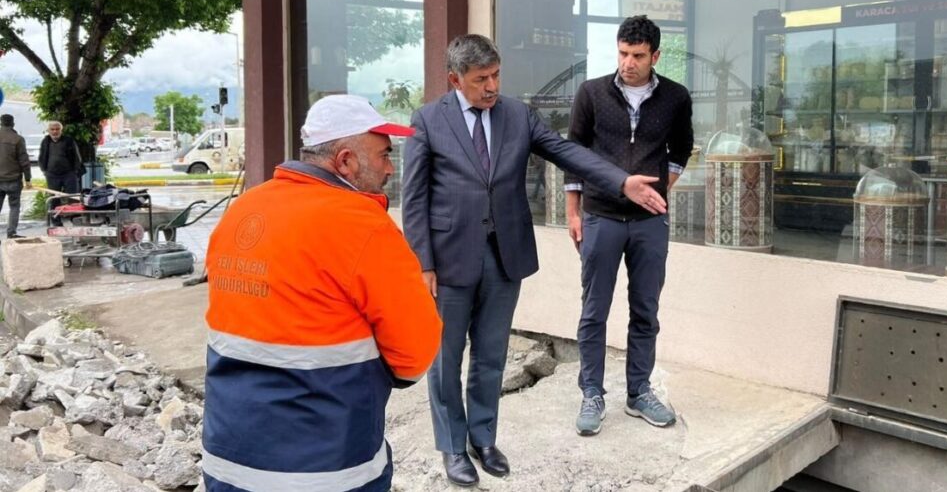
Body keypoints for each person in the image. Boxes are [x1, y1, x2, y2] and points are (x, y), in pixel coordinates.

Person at [402, 34, 667, 487]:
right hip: (447, 261)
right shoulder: (428, 121)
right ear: (454, 80)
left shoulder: (517, 115)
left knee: (491, 355)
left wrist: (621, 182)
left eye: (496, 76)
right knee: (445, 360)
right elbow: (414, 199)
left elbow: (569, 152)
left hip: (504, 256)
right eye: (480, 79)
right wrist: (422, 263)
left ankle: (483, 438)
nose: (491, 87)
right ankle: (451, 447)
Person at [202, 95, 442, 492]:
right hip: (326, 469)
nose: (389, 168)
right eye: (383, 155)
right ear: (345, 160)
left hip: (228, 461)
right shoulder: (362, 226)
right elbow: (415, 354)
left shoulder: (244, 209)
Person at [566, 15, 693, 437]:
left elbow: (682, 147)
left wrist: (662, 188)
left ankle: (639, 392)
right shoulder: (591, 93)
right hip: (600, 216)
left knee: (646, 310)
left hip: (649, 224)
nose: (628, 63)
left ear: (655, 56)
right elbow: (574, 153)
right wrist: (573, 211)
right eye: (623, 53)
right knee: (594, 310)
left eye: (638, 55)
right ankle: (591, 393)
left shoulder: (676, 97)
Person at [38, 121, 84, 224]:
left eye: (57, 129)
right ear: (49, 130)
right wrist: (44, 170)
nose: (55, 131)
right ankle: (56, 221)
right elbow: (42, 157)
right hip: (52, 175)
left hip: (69, 174)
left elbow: (77, 157)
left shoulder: (68, 140)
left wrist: (75, 171)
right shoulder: (46, 141)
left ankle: (75, 219)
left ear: (61, 130)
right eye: (52, 129)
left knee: (73, 197)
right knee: (54, 199)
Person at [0, 114, 32, 239]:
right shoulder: (17, 139)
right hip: (13, 179)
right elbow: (24, 161)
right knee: (14, 206)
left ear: (1, 123)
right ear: (13, 124)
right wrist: (28, 178)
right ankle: (11, 232)